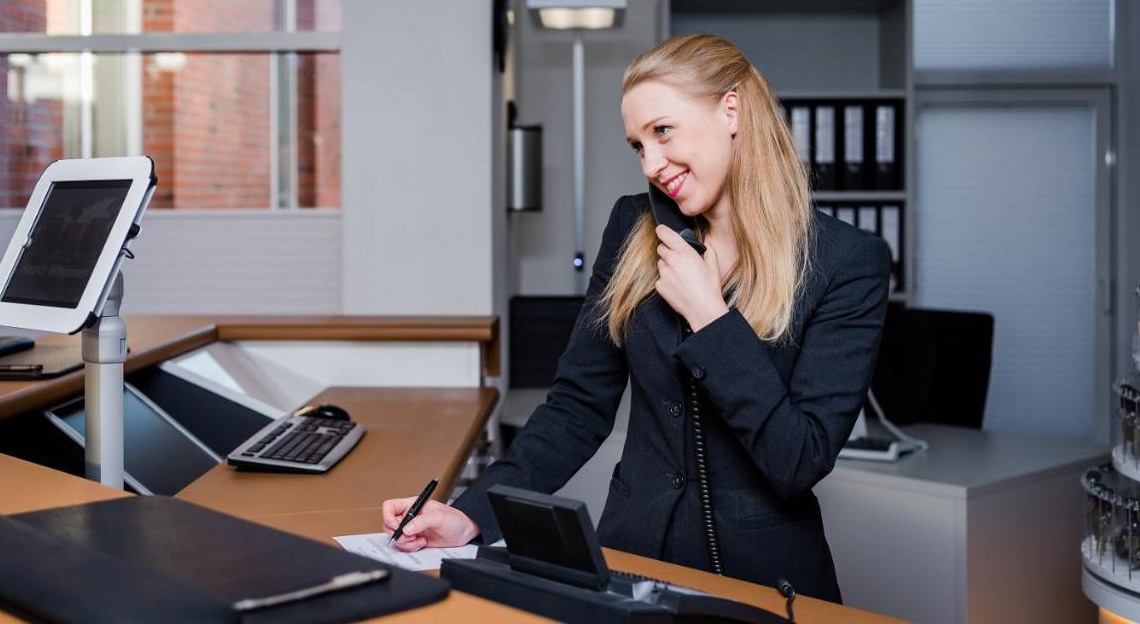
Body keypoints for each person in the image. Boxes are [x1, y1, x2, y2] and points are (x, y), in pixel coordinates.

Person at [381, 34, 891, 602]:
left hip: (766, 582)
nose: (651, 164)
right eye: (636, 145)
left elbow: (798, 459)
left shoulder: (845, 262)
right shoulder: (632, 229)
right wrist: (472, 515)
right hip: (631, 560)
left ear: (731, 109)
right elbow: (577, 406)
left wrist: (710, 317)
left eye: (662, 131)